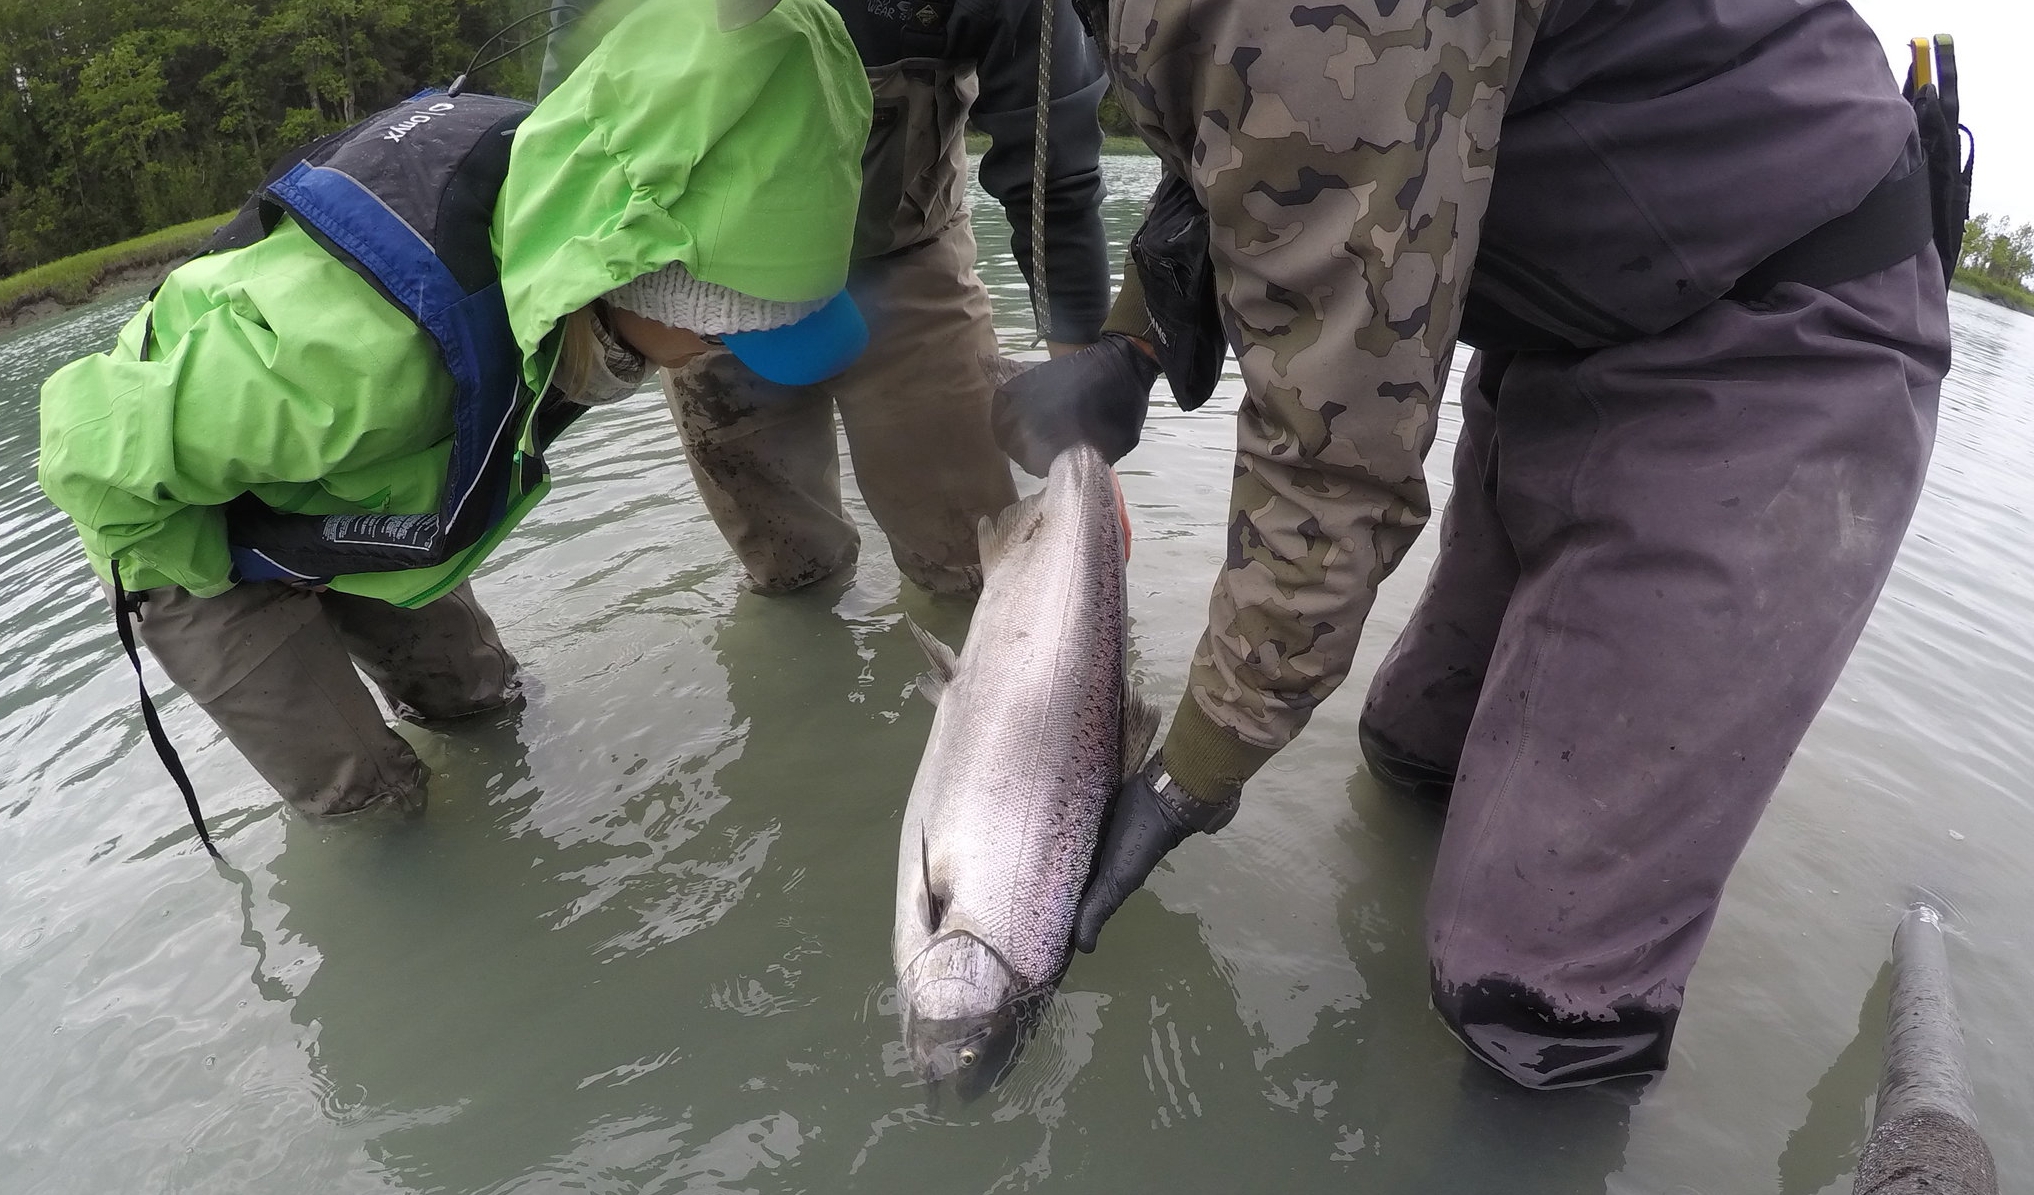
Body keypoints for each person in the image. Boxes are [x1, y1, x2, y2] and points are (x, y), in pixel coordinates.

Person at [993, 0, 1958, 1088]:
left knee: (1533, 994)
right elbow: (1270, 140)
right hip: (1571, 329)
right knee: (1411, 754)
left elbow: (1332, 466)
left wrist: (1188, 777)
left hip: (1775, 345)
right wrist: (1140, 336)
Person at [37, 0, 873, 819]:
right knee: (366, 794)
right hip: (172, 525)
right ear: (630, 281)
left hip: (344, 487)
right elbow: (85, 448)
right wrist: (237, 565)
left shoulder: (567, 200)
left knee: (479, 694)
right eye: (721, 334)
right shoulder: (366, 369)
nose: (713, 359)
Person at [545, 0, 1111, 594]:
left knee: (975, 569)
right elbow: (572, 156)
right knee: (788, 570)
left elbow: (1054, 186)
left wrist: (1083, 449)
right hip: (698, 291)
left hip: (907, 262)